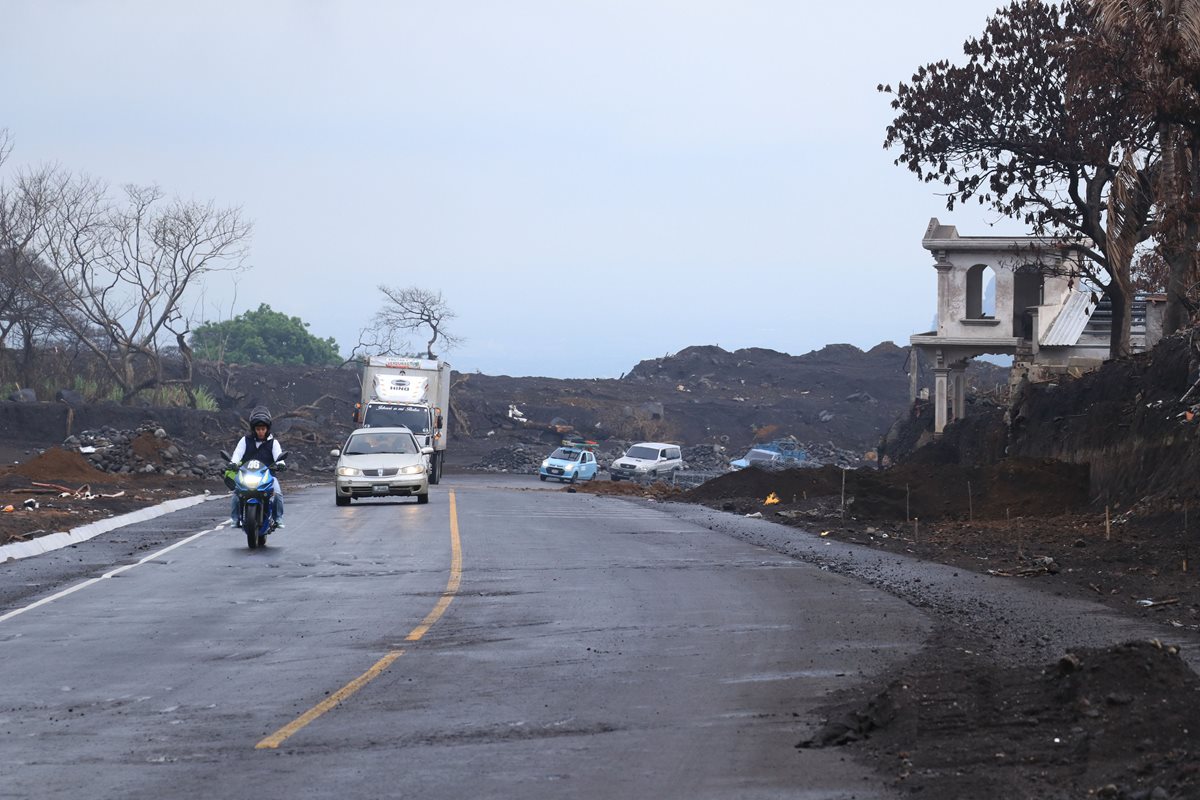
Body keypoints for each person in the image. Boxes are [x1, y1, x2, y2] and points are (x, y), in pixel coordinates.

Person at [228, 406, 286, 528]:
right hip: (246, 475)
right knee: (236, 494)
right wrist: (233, 463)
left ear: (267, 429)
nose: (260, 431)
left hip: (268, 475)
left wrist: (281, 464)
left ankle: (278, 518)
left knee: (277, 494)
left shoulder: (273, 443)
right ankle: (235, 519)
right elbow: (237, 454)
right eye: (258, 429)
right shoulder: (245, 440)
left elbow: (278, 455)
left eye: (263, 429)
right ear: (254, 429)